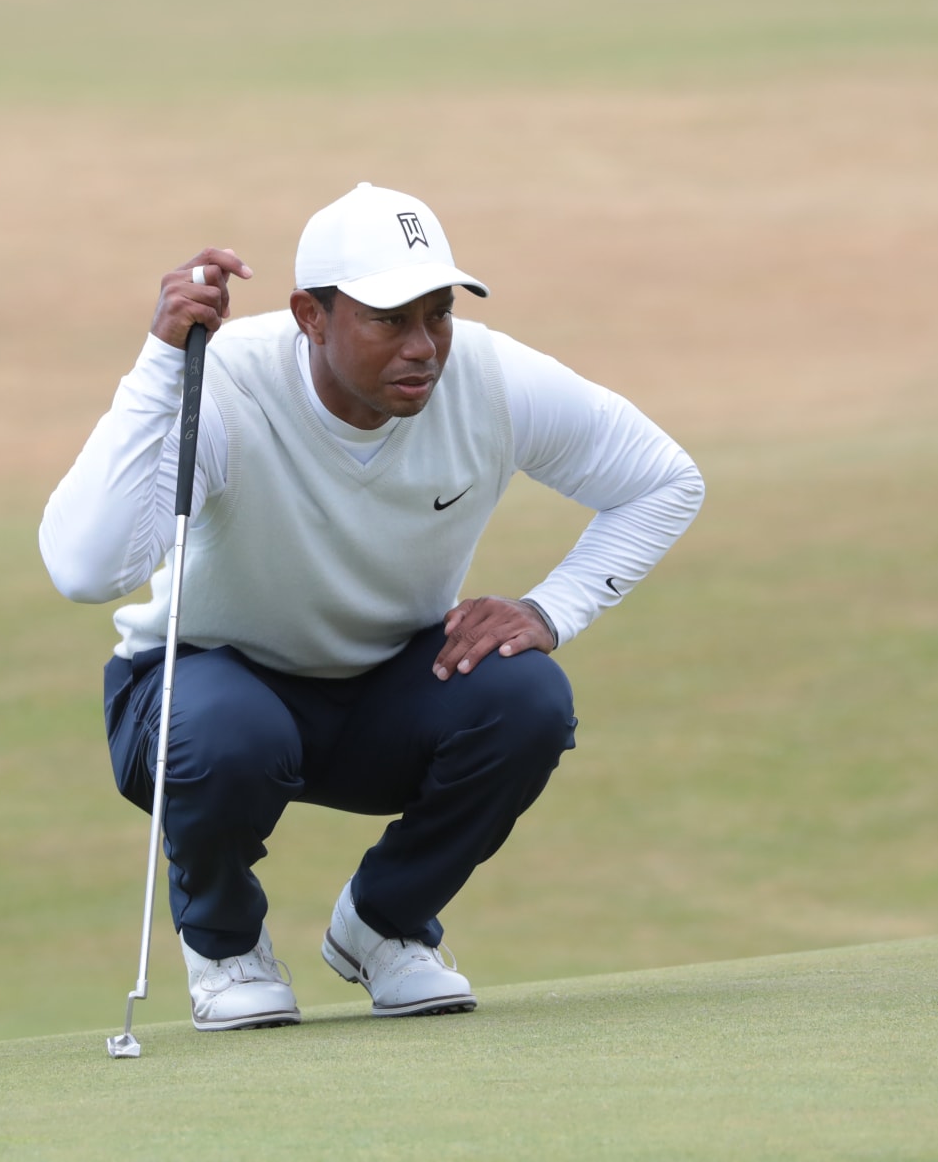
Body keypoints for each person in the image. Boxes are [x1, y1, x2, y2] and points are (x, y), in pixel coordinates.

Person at [40, 183, 703, 1031]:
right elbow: (83, 567)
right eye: (391, 319)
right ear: (309, 317)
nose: (424, 346)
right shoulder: (228, 384)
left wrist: (551, 609)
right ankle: (226, 946)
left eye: (438, 315)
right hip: (195, 698)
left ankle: (384, 928)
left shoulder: (491, 379)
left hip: (381, 696)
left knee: (527, 697)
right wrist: (162, 363)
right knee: (228, 730)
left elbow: (664, 479)